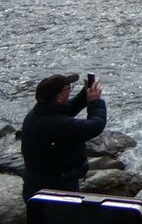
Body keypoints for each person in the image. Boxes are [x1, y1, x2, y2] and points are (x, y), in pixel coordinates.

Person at [20, 73, 106, 203]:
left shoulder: (37, 113)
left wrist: (85, 94)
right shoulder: (58, 124)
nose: (70, 90)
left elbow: (67, 109)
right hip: (57, 188)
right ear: (58, 97)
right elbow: (95, 126)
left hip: (36, 183)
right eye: (68, 88)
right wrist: (95, 102)